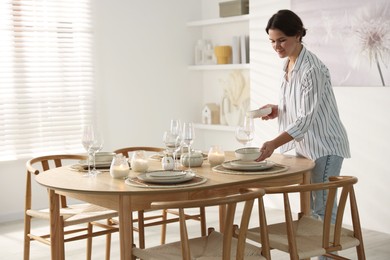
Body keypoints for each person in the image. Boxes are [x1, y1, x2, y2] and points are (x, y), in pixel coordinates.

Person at [255, 9, 351, 224]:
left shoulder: (312, 69)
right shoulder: (288, 64)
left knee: (322, 207)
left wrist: (272, 143)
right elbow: (304, 106)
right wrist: (278, 109)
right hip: (306, 147)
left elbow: (305, 120)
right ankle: (315, 253)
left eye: (282, 40)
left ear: (298, 35)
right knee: (310, 207)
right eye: (272, 41)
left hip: (325, 146)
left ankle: (326, 255)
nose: (276, 47)